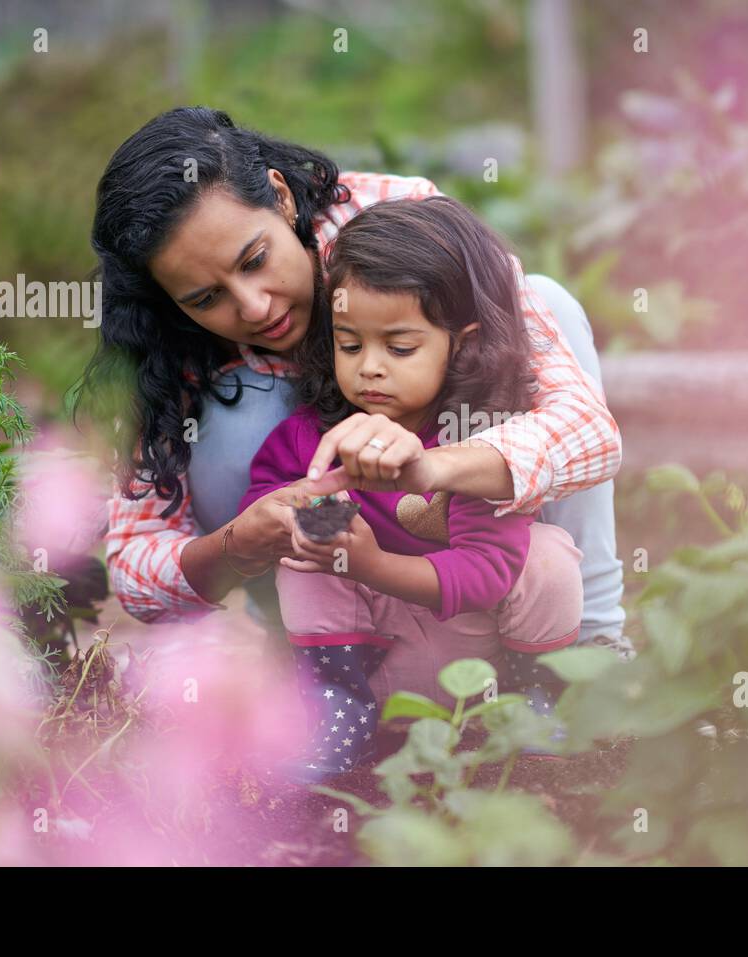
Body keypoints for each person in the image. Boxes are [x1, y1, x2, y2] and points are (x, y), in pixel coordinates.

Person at [75, 106, 631, 701]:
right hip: (332, 580)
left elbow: (589, 432)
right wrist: (239, 543)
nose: (255, 307)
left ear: (282, 198)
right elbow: (135, 571)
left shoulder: (396, 226)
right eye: (207, 297)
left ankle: (591, 640)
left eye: (255, 260)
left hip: (476, 555)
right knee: (238, 419)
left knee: (546, 306)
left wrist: (433, 464)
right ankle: (318, 665)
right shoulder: (162, 339)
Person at [239, 196, 583, 776]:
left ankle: (536, 700)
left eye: (399, 348)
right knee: (301, 558)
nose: (370, 367)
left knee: (546, 558)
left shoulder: (482, 447)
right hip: (373, 664)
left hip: (477, 666)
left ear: (463, 344)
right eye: (350, 344)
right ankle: (336, 713)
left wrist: (370, 563)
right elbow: (263, 510)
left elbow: (488, 573)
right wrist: (309, 517)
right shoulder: (313, 437)